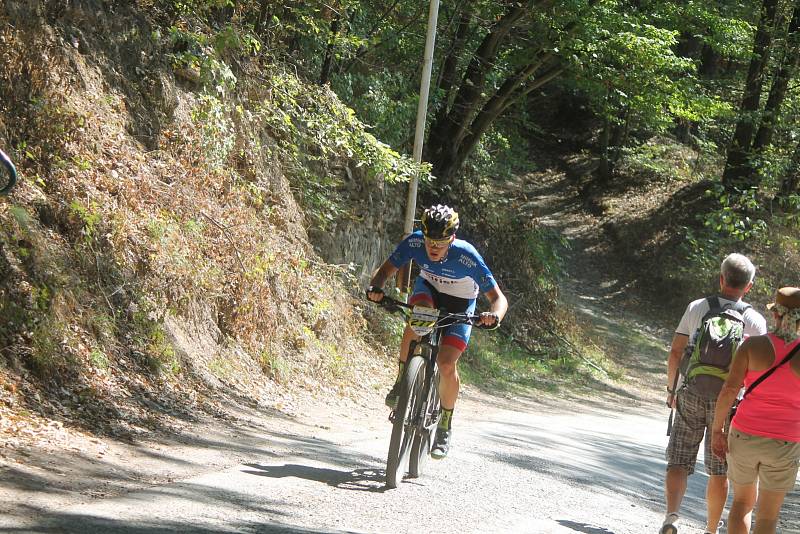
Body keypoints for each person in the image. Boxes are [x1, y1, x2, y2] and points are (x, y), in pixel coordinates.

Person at [366, 204, 508, 459]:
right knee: (418, 317)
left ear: (452, 238)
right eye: (430, 240)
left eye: (440, 242)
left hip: (462, 304)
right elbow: (386, 270)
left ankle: (445, 423)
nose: (432, 247)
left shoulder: (467, 256)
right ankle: (402, 382)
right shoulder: (414, 243)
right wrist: (375, 287)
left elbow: (498, 298)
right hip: (428, 291)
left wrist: (494, 315)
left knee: (445, 363)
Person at [661, 253, 767, 534]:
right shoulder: (755, 322)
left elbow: (675, 352)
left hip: (691, 392)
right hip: (729, 403)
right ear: (749, 286)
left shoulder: (697, 307)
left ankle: (671, 516)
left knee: (678, 460)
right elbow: (757, 373)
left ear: (721, 279)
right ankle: (710, 529)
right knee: (719, 470)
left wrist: (672, 390)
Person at [710, 286, 800, 534]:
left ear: (775, 315)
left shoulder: (751, 346)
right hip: (785, 441)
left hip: (744, 435)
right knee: (768, 516)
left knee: (741, 503)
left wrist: (717, 430)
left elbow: (729, 391)